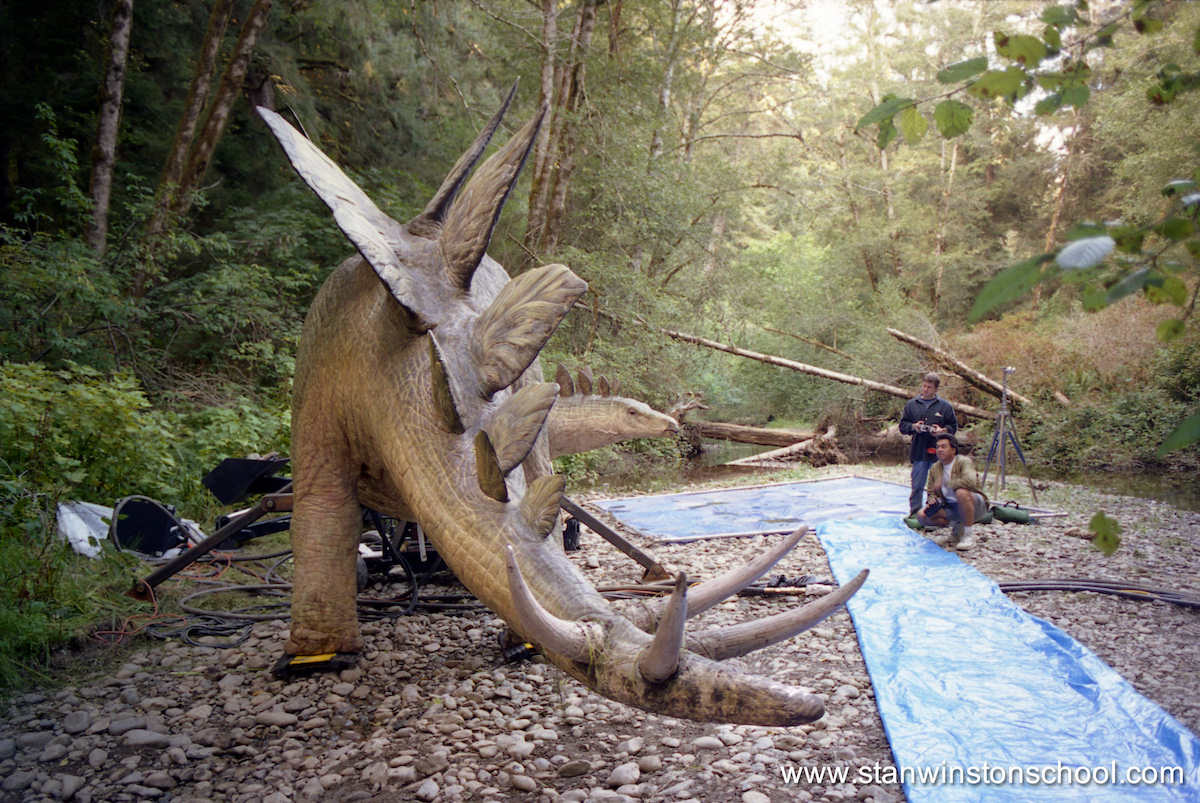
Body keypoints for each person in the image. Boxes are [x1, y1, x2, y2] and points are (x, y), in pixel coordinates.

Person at [898, 373, 958, 515]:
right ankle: (915, 514)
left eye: (929, 387)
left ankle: (937, 513)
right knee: (917, 485)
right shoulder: (912, 405)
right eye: (924, 386)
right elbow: (903, 426)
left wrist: (942, 430)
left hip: (939, 453)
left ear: (936, 389)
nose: (925, 389)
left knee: (939, 486)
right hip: (918, 451)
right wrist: (914, 427)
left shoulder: (944, 406)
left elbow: (953, 427)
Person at [916, 433, 989, 550]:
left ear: (953, 450)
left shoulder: (963, 461)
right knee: (922, 515)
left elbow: (970, 482)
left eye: (943, 447)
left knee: (961, 492)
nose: (939, 450)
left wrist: (946, 483)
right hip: (951, 506)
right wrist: (932, 499)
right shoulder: (935, 467)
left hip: (975, 504)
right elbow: (931, 491)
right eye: (938, 447)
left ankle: (968, 535)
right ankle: (957, 524)